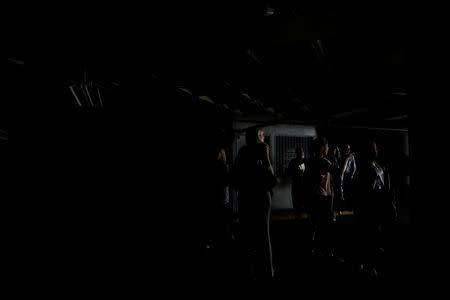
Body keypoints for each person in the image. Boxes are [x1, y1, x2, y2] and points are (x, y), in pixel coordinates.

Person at [232, 127, 277, 280]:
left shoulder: (243, 152)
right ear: (259, 136)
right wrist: (266, 158)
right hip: (261, 197)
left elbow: (235, 178)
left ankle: (249, 271)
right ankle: (267, 270)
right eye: (262, 135)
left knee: (247, 235)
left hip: (246, 197)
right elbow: (272, 179)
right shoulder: (261, 150)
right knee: (264, 235)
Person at [304, 137, 340, 256]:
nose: (328, 148)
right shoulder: (323, 161)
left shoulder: (311, 161)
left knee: (314, 223)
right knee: (325, 224)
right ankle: (326, 249)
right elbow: (336, 170)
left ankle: (312, 248)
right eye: (327, 146)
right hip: (323, 196)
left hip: (318, 195)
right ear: (322, 148)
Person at [287, 147, 307, 220]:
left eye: (302, 151)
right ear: (297, 153)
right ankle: (298, 219)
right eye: (300, 152)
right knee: (297, 206)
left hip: (304, 187)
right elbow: (288, 173)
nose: (301, 153)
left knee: (303, 206)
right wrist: (297, 171)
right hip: (296, 186)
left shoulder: (306, 161)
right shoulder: (293, 162)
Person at [340, 143, 357, 211]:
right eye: (347, 148)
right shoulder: (342, 156)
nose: (348, 149)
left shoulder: (351, 157)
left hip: (349, 176)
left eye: (349, 148)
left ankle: (349, 207)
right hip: (343, 176)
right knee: (344, 192)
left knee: (349, 191)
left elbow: (354, 168)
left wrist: (352, 175)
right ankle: (345, 206)